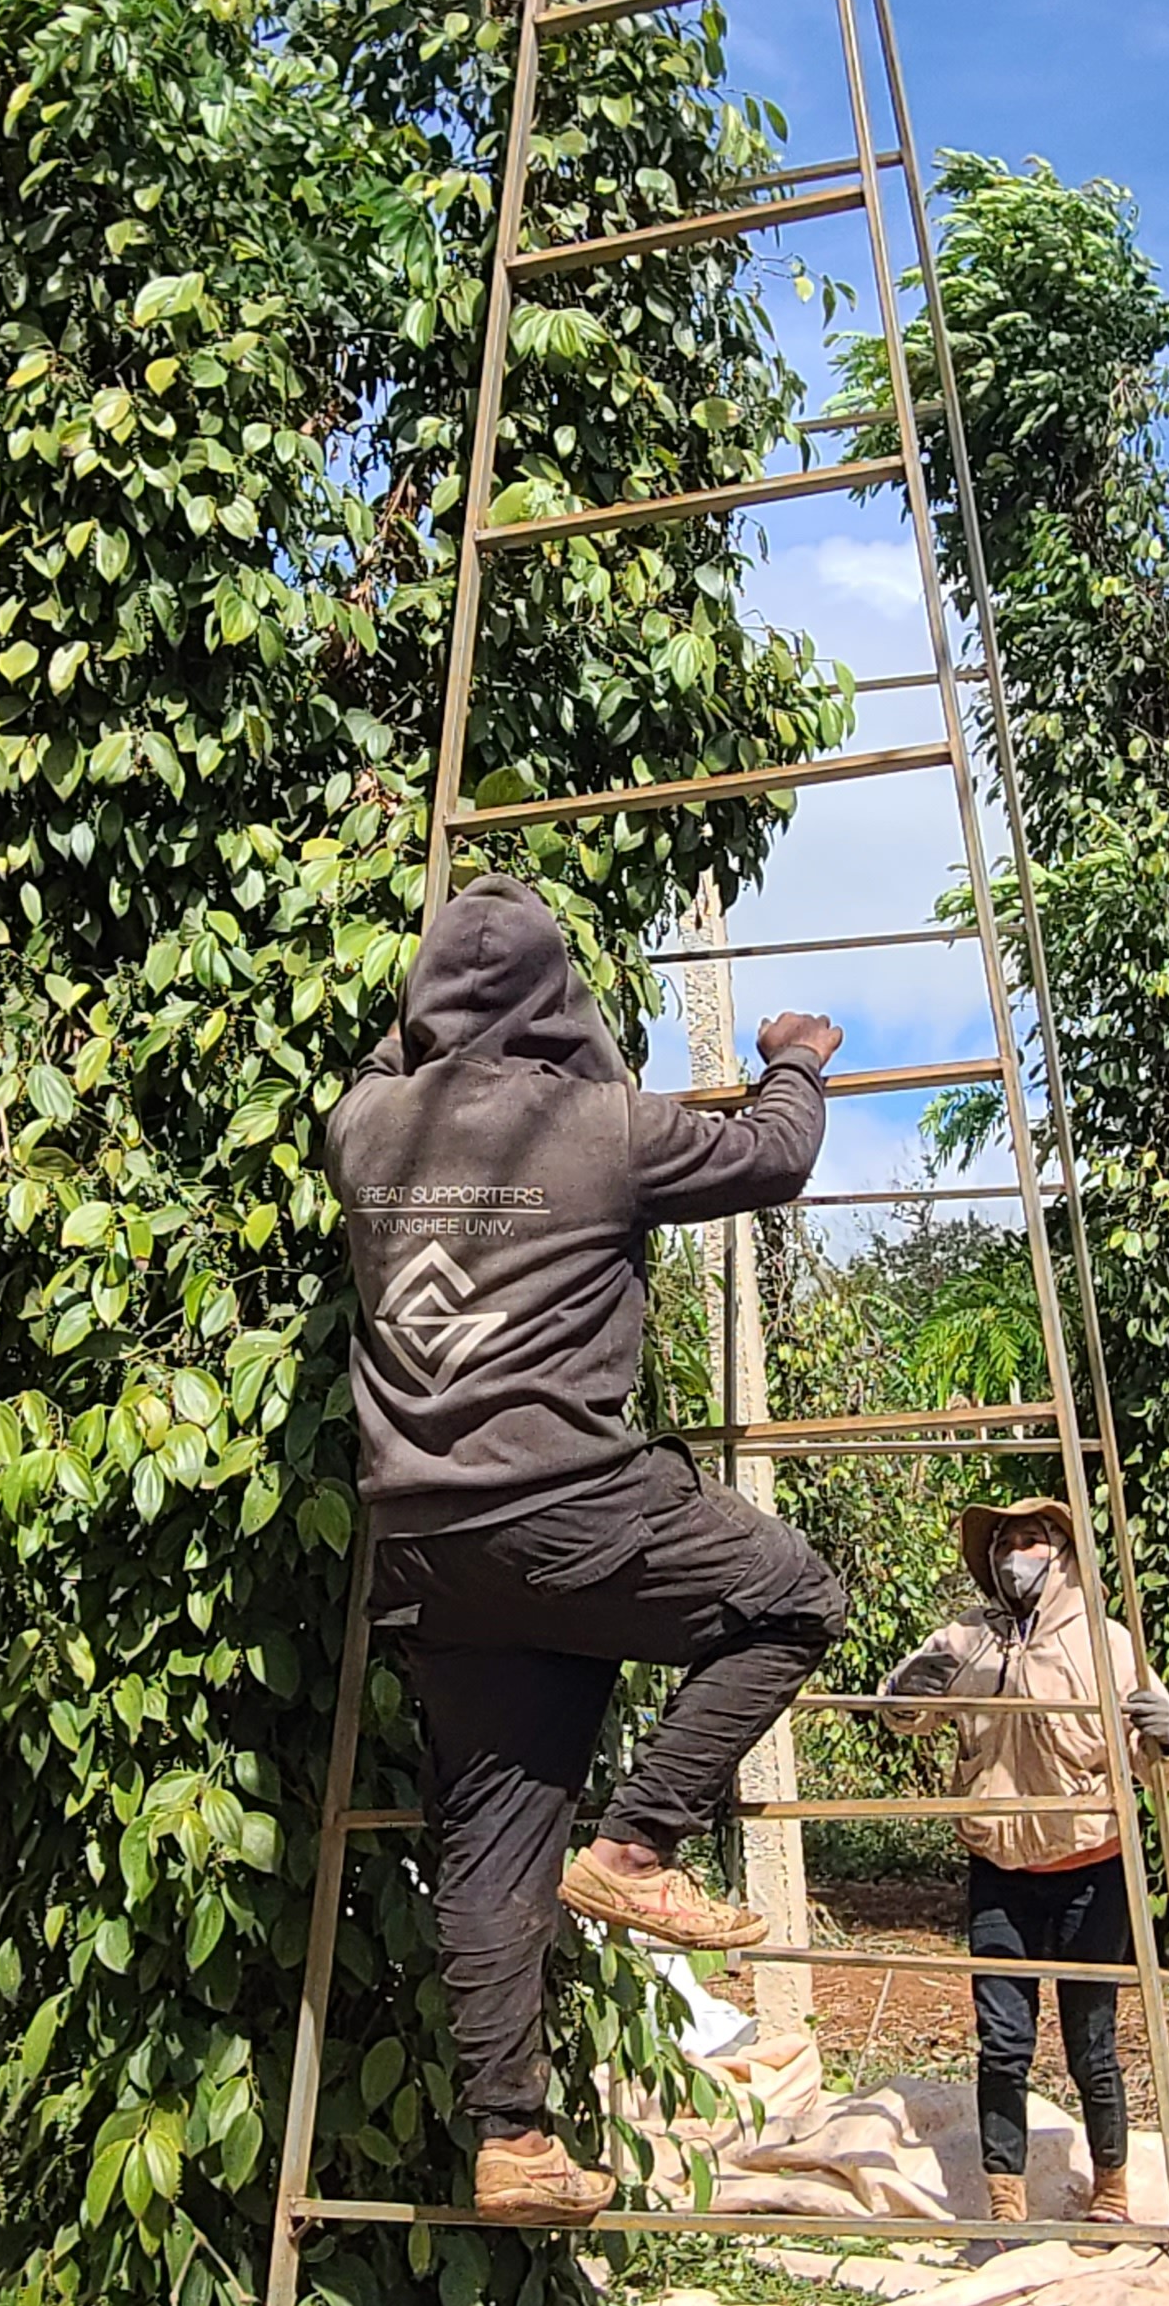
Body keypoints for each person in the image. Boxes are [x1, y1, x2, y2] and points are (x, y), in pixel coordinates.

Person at [324, 874, 851, 2226]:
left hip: (426, 1547)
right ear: (562, 997)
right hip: (568, 1505)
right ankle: (636, 1848)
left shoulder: (363, 1126)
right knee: (790, 1601)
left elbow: (400, 1052)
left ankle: (511, 2135)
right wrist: (792, 1057)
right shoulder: (605, 1128)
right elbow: (775, 1159)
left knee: (492, 1835)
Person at [879, 1495, 1169, 2227]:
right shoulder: (964, 1641)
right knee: (1003, 2041)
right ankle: (1003, 2199)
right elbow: (905, 1713)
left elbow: (1163, 1764)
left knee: (1092, 2041)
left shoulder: (1110, 1645)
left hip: (1093, 1865)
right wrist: (901, 1697)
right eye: (1005, 1544)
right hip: (998, 1870)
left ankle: (1111, 2188)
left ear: (1062, 1554)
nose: (1015, 1555)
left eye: (1030, 1540)